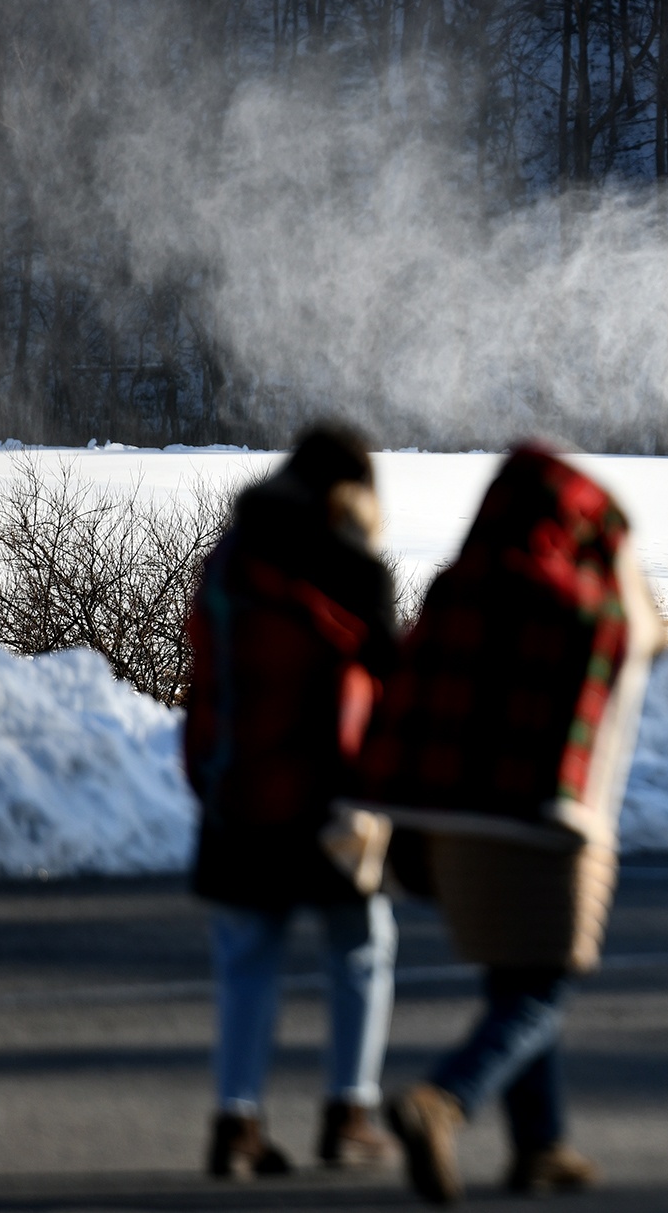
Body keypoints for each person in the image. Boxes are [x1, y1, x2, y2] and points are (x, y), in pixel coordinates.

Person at [353, 443, 664, 1204]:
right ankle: (444, 1098)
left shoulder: (458, 586)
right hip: (541, 818)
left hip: (457, 821)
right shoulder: (584, 595)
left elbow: (411, 694)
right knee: (543, 986)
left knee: (512, 976)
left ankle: (540, 1143)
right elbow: (644, 646)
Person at [181, 423, 402, 1178]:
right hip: (327, 803)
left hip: (238, 793)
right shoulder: (352, 567)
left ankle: (235, 1119)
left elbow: (206, 676)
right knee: (361, 947)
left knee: (247, 957)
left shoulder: (229, 561)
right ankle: (350, 1109)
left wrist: (206, 781)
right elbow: (388, 683)